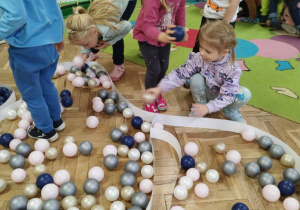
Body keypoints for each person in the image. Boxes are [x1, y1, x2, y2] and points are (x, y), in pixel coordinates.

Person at [146, 21, 252, 123]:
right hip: (205, 91)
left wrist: (208, 108)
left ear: (224, 52)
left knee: (245, 94)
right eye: (201, 47)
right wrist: (160, 88)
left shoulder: (232, 69)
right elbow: (179, 74)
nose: (201, 52)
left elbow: (228, 95)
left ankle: (229, 111)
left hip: (223, 96)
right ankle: (200, 105)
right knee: (195, 78)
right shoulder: (197, 58)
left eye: (208, 51)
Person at [0, 0, 65, 142]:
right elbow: (54, 7)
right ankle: (56, 120)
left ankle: (45, 129)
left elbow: (16, 16)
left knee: (32, 94)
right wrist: (59, 34)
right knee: (46, 84)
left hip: (26, 49)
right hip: (48, 43)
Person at [133, 0, 187, 113]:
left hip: (165, 35)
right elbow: (147, 27)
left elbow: (180, 10)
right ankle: (149, 98)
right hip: (146, 37)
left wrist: (182, 29)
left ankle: (157, 92)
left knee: (164, 66)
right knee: (154, 69)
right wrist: (162, 36)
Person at [66, 0, 137, 82]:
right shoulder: (86, 25)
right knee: (92, 39)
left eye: (86, 44)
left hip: (126, 2)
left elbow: (127, 26)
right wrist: (84, 52)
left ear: (95, 32)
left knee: (116, 33)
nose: (85, 46)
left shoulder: (108, 31)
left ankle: (119, 65)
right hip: (109, 5)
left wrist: (110, 42)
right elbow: (86, 38)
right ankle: (94, 52)